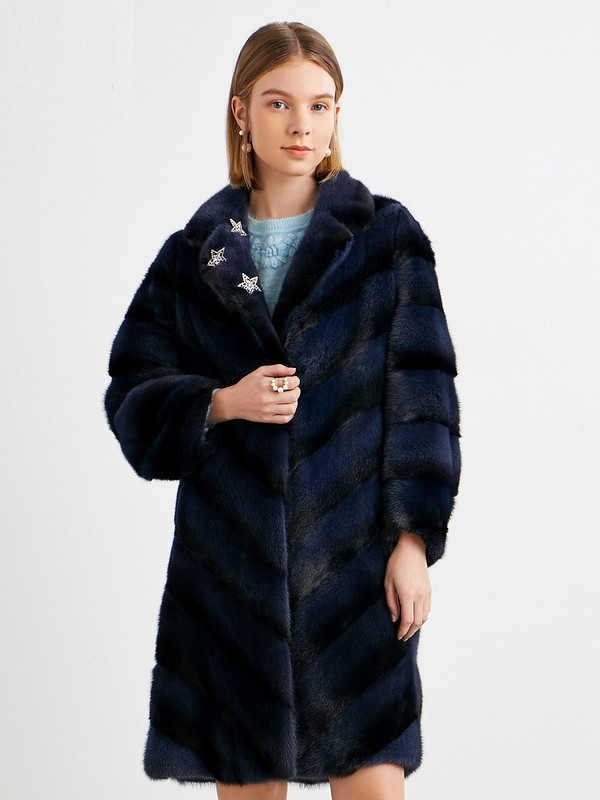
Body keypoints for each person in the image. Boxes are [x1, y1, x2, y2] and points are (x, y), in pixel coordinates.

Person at [104, 20, 461, 800]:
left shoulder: (386, 241)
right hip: (231, 582)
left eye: (319, 104)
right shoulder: (194, 255)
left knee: (372, 783)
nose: (302, 124)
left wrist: (412, 542)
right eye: (278, 103)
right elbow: (131, 393)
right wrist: (220, 402)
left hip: (353, 573)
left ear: (337, 113)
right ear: (241, 111)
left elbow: (424, 402)